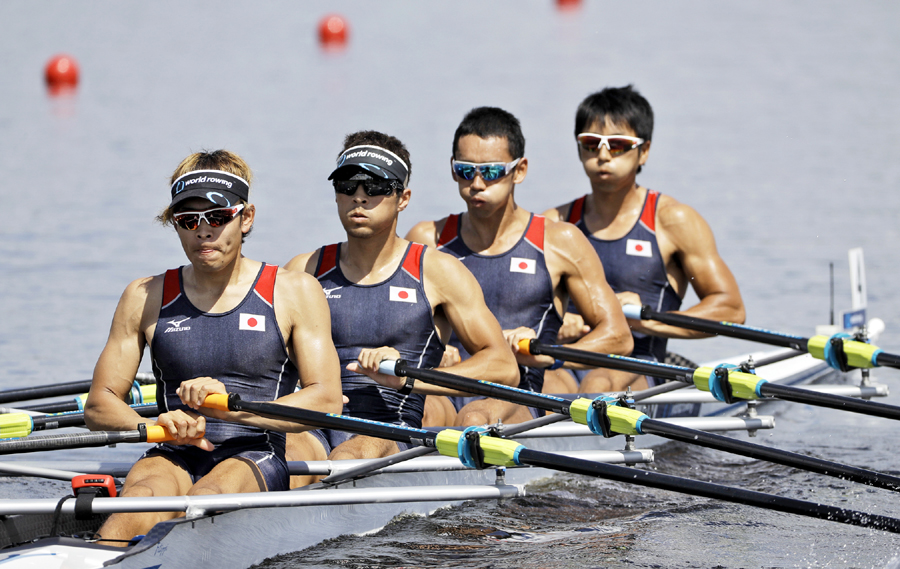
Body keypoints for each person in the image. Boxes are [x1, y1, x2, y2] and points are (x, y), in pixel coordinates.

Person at [85, 150, 343, 545]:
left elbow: (326, 400)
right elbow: (100, 403)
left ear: (247, 218)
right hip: (172, 452)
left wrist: (234, 406)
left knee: (204, 500)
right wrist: (154, 428)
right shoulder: (144, 296)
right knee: (135, 503)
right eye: (188, 220)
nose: (203, 232)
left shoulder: (293, 291)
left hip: (254, 451)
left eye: (218, 217)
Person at [284, 130, 519, 466]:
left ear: (403, 198)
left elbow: (503, 366)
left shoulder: (438, 272)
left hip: (392, 427)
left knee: (348, 456)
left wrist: (411, 376)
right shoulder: (303, 270)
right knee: (287, 453)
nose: (359, 198)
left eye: (376, 187)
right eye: (347, 185)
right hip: (314, 426)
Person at [406, 107, 633, 426]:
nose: (478, 183)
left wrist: (552, 354)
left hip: (521, 389)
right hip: (447, 385)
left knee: (474, 418)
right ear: (453, 170)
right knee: (412, 414)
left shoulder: (559, 242)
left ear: (520, 170)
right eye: (466, 170)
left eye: (493, 171)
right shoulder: (426, 238)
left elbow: (619, 336)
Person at [544, 85, 745, 395]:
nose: (603, 154)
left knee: (600, 381)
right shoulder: (554, 223)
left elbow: (731, 309)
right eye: (590, 143)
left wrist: (645, 321)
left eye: (619, 144)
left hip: (638, 365)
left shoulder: (673, 221)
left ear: (644, 151)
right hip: (568, 359)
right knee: (542, 382)